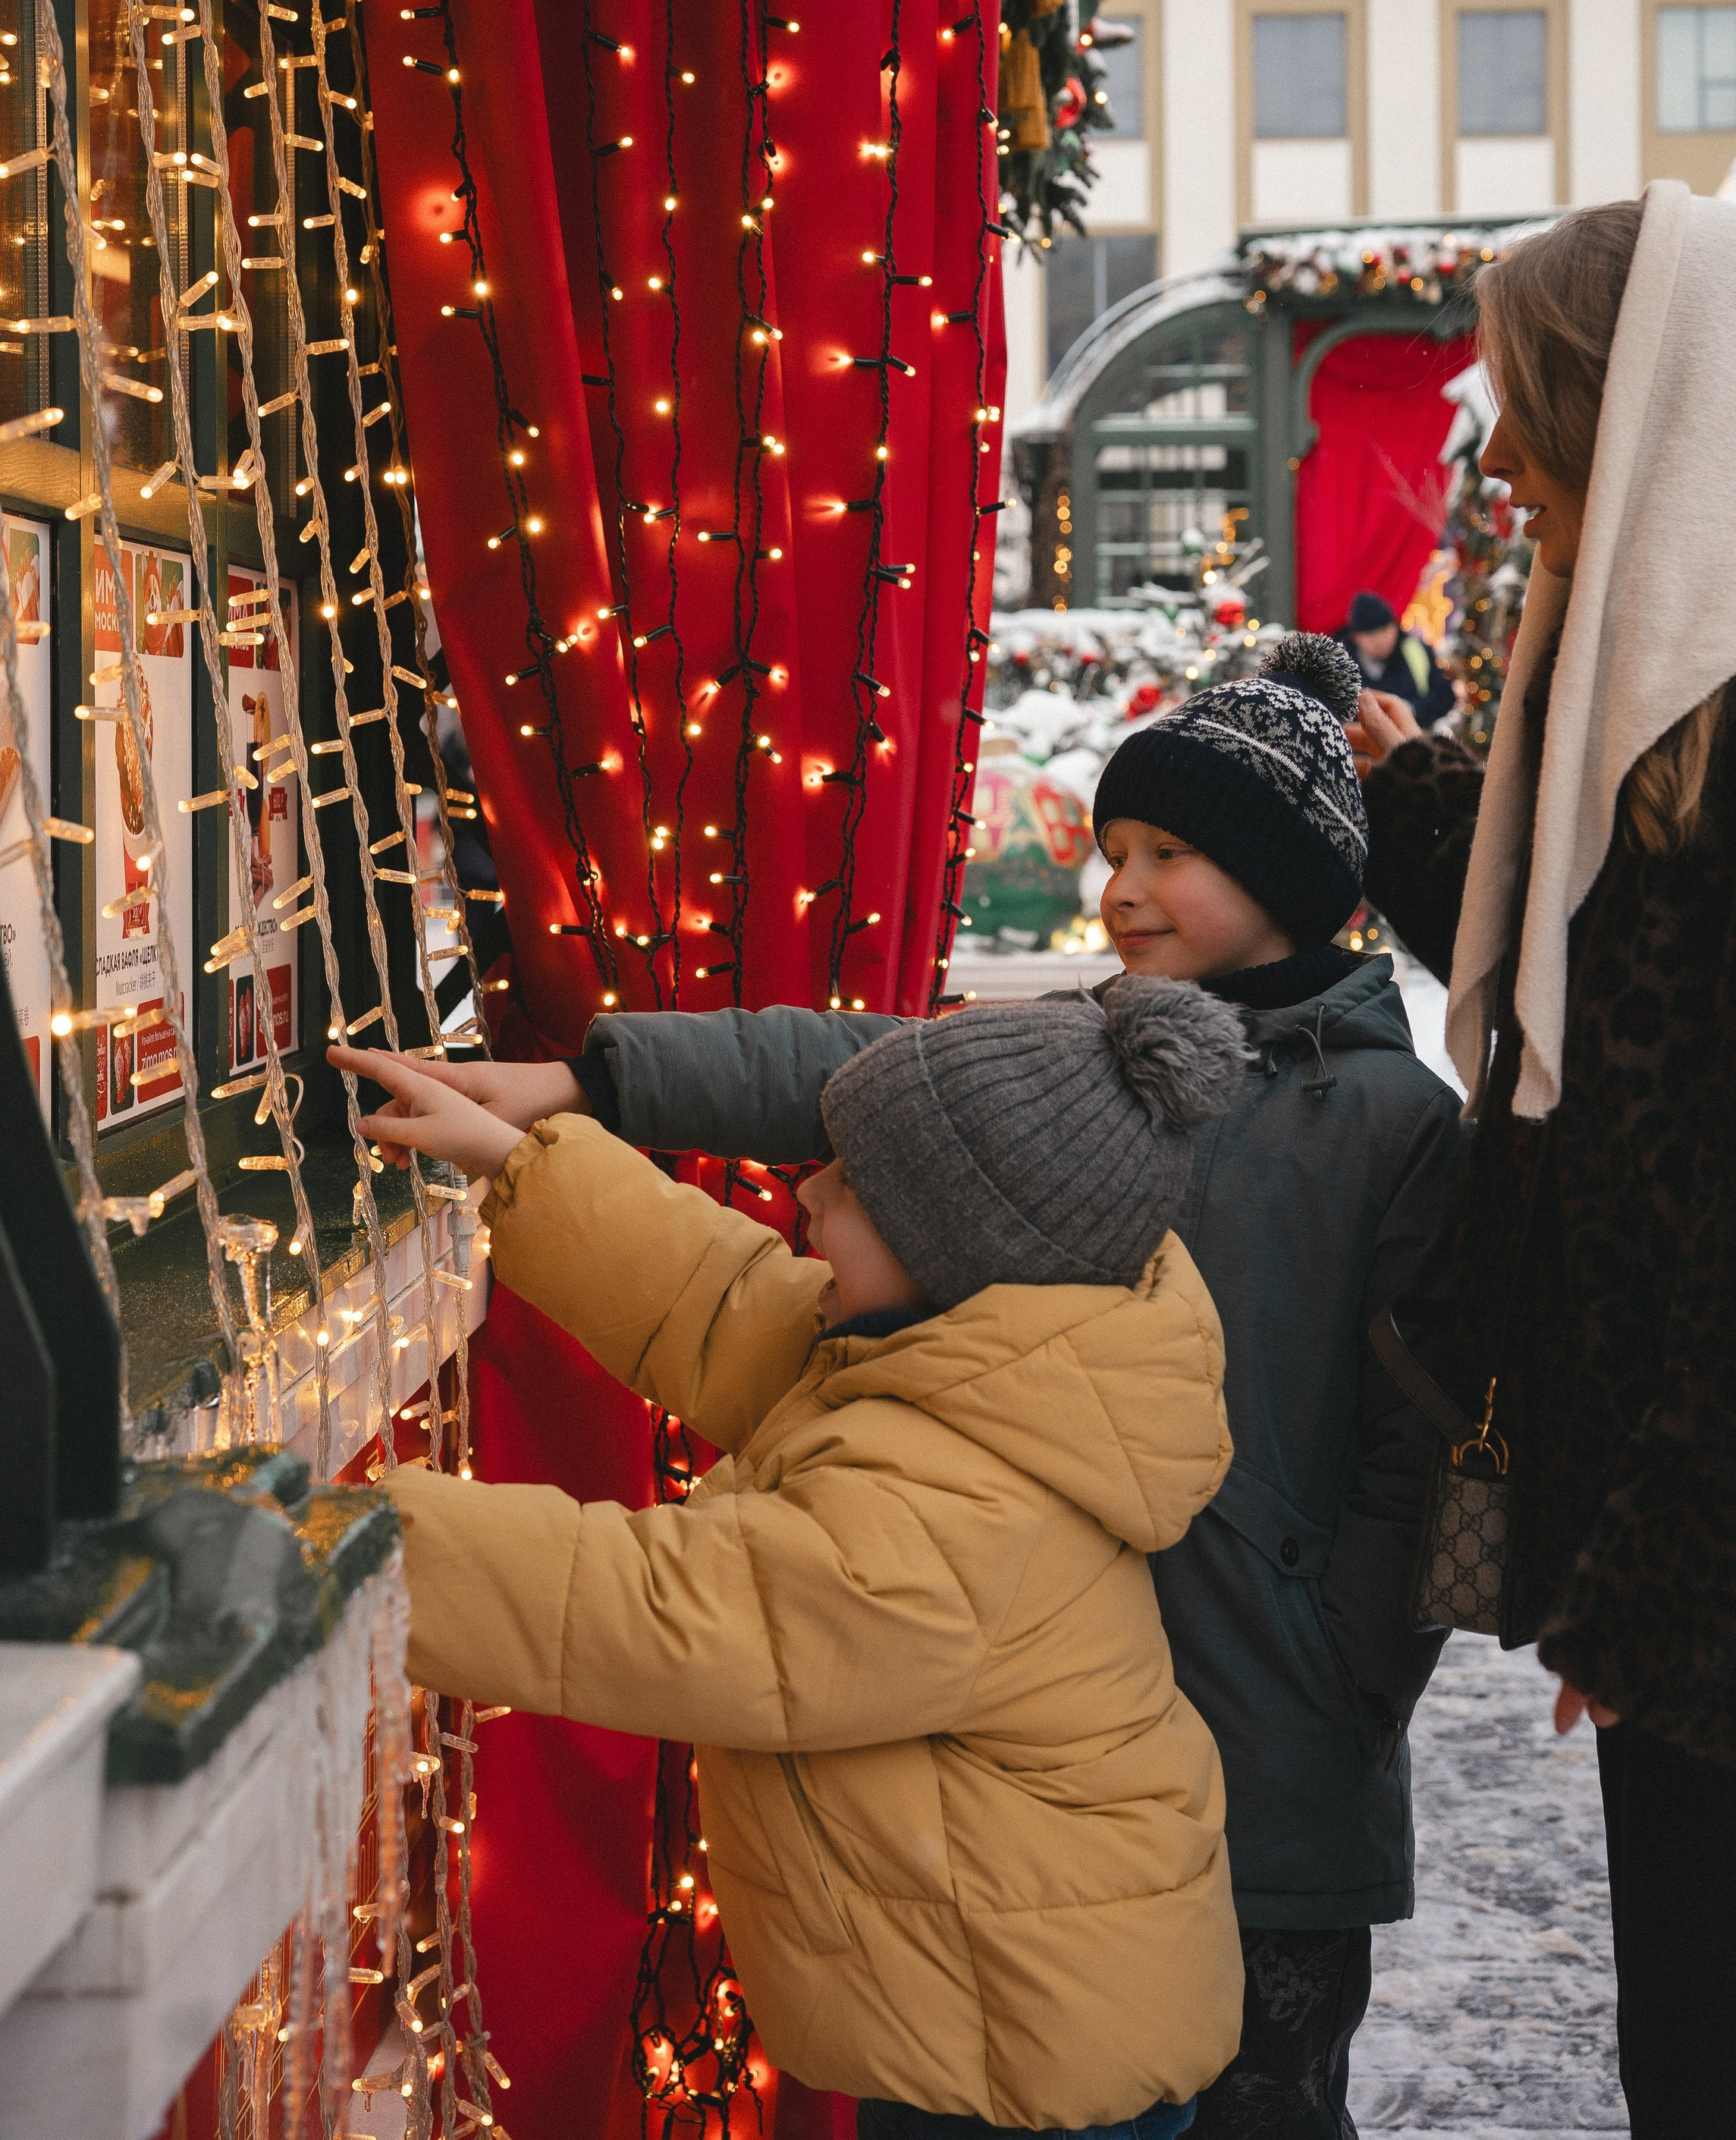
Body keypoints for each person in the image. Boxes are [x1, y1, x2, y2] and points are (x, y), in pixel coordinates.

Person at [379, 633, 1469, 2140]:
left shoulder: (1388, 1116)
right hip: (1042, 1745)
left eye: (1172, 854)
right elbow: (841, 1084)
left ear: (1289, 880)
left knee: (1261, 2107)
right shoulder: (1077, 1069)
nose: (1120, 889)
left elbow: (1438, 1425)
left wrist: (1351, 1664)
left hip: (1269, 1737)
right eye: (1116, 848)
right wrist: (588, 1091)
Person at [1348, 184, 1736, 2140]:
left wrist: (1671, 1601)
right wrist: (1407, 800)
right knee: (1723, 2046)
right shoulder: (1700, 693)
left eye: (1525, 408)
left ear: (1639, 414)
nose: (1495, 457)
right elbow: (1618, 998)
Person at [331, 979, 1251, 2140]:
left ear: (954, 1255)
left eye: (850, 1183)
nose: (806, 1189)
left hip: (1028, 2065)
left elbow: (668, 1610)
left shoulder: (958, 1505)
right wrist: (519, 1163)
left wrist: (350, 1550)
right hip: (1002, 2002)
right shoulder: (971, 1357)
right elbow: (721, 1302)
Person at [1336, 592, 1454, 728]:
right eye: (1370, 634)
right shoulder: (1339, 661)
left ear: (1395, 626)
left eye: (1384, 630)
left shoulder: (1415, 650)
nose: (1380, 640)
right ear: (1355, 637)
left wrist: (1409, 709)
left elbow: (1445, 696)